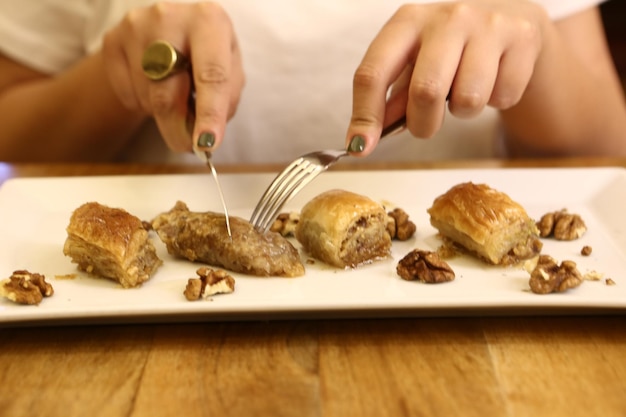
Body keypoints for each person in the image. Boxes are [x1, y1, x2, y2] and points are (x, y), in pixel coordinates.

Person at [0, 0, 624, 164]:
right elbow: (11, 138)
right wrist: (122, 81)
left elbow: (609, 146)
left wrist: (534, 48)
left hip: (480, 315)